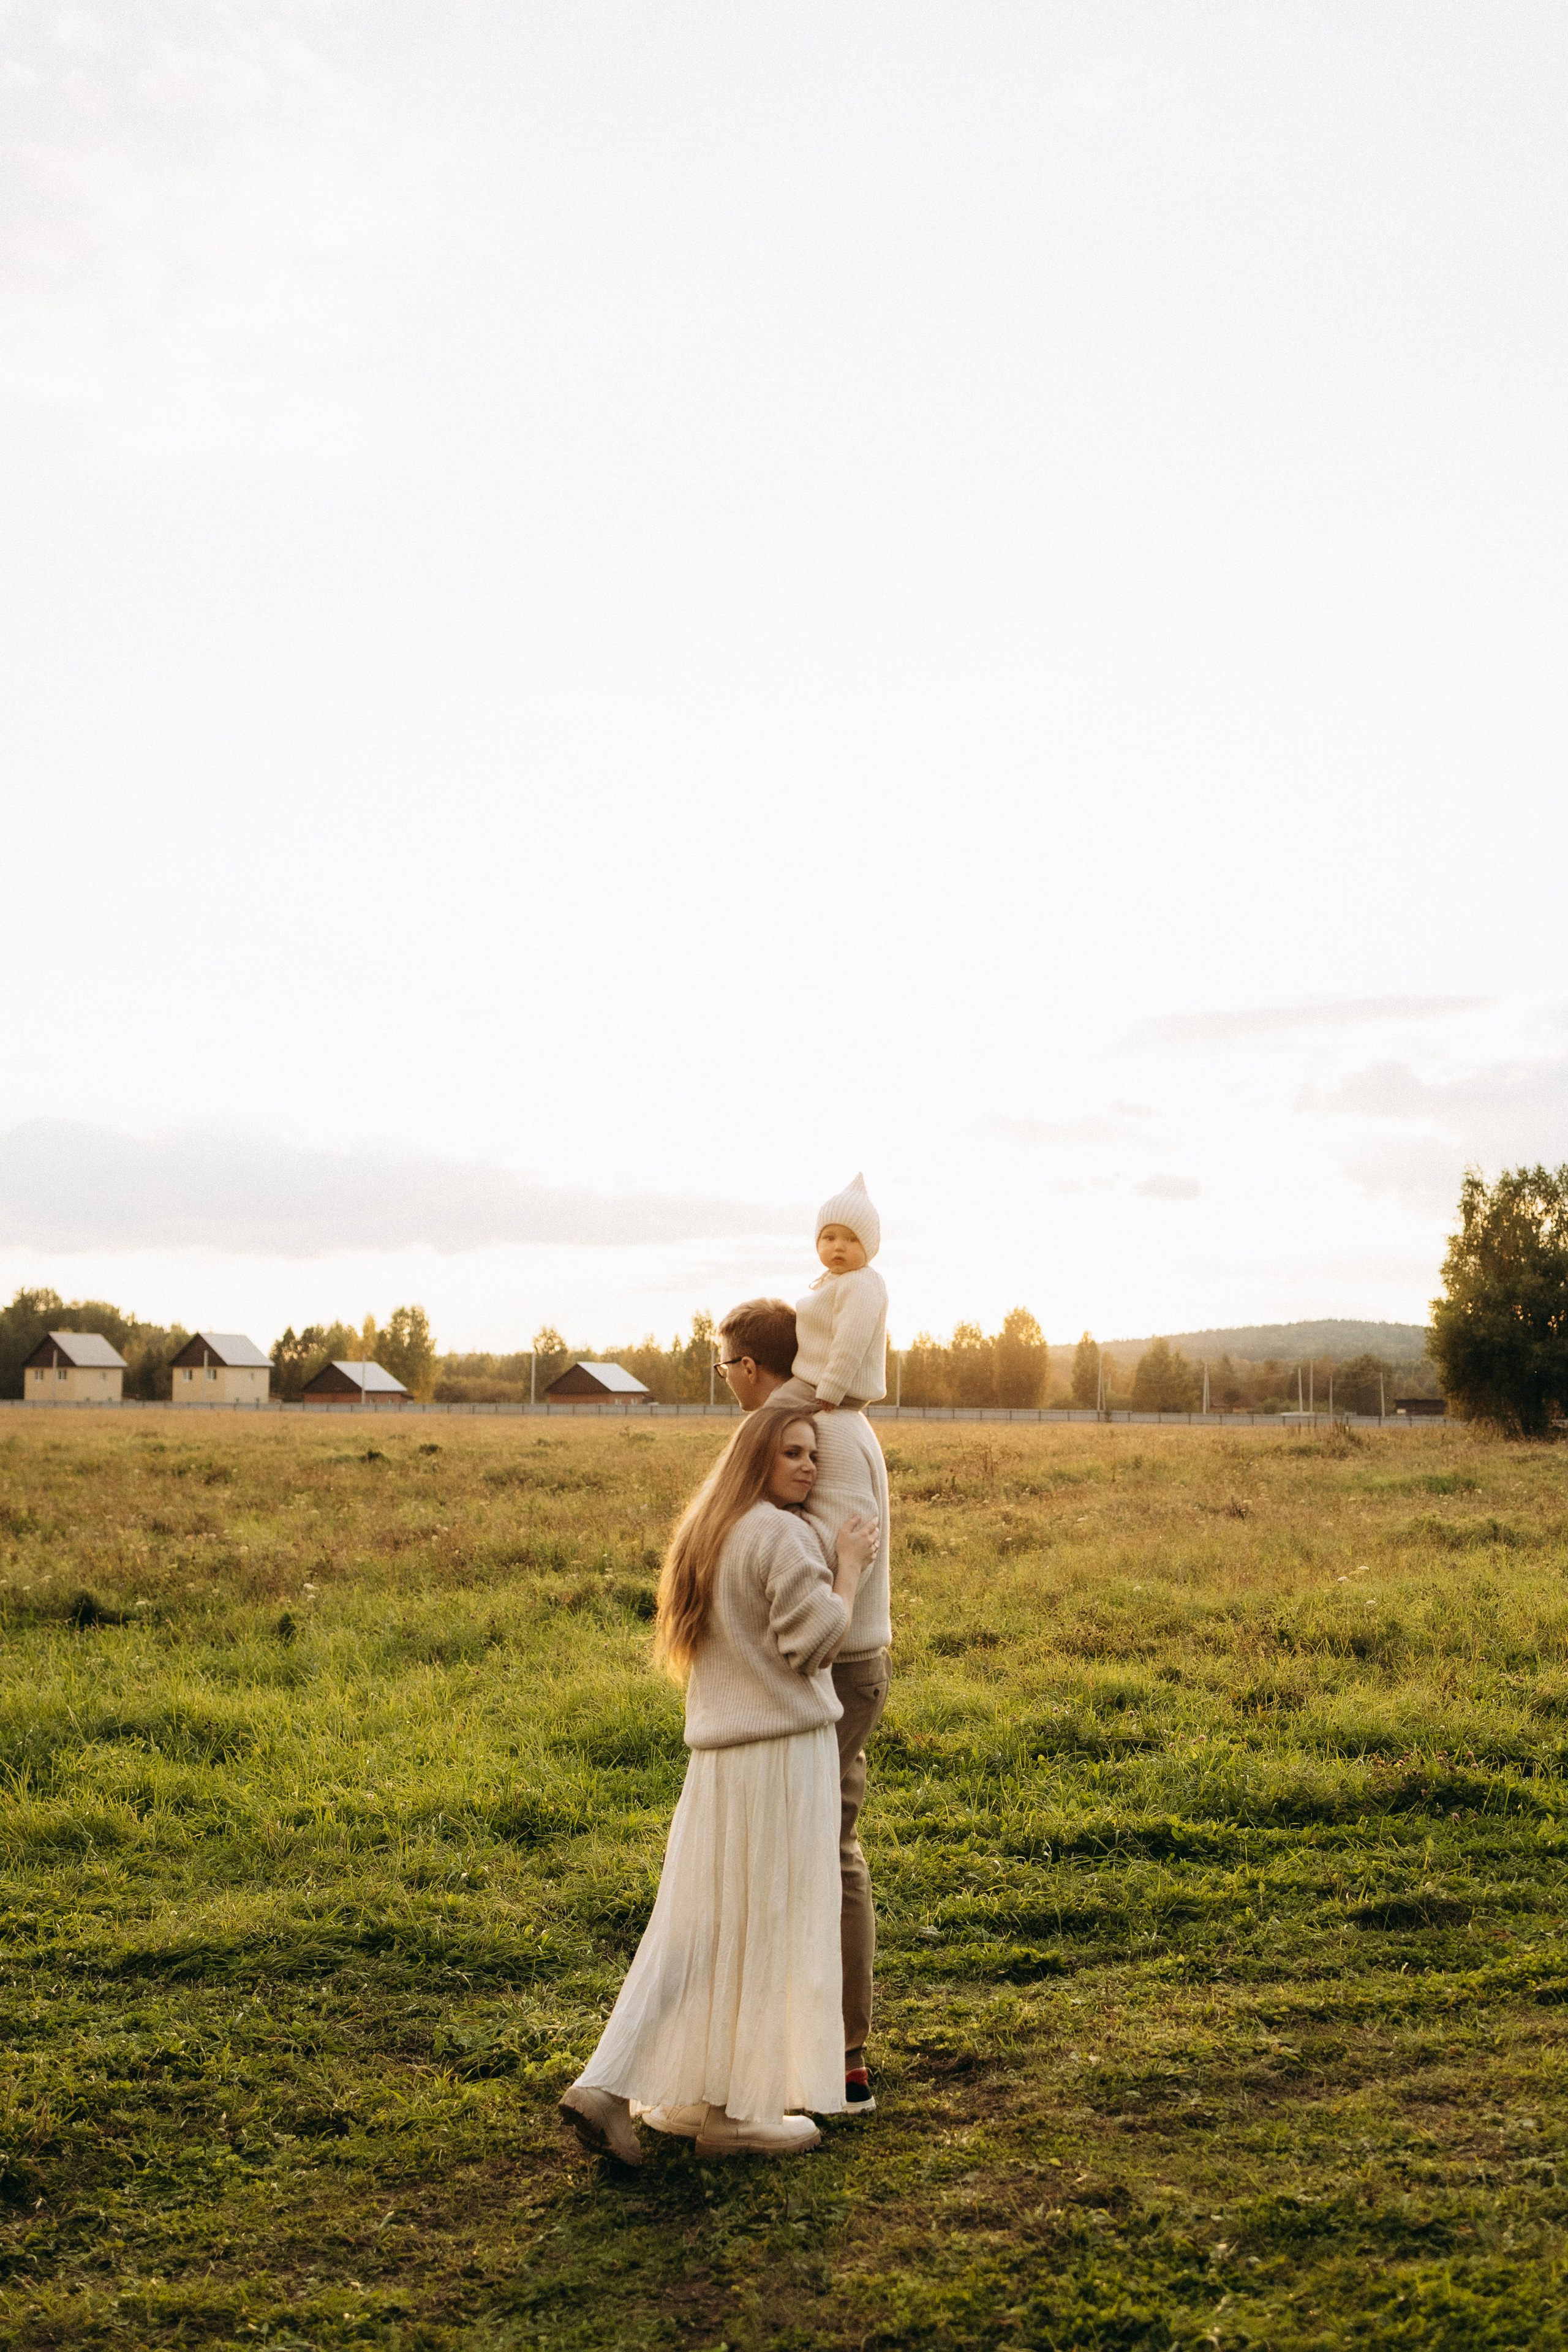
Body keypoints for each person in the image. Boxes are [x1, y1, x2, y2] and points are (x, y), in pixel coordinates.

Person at [559, 1405, 878, 2164]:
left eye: (811, 1455)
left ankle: (641, 2090)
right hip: (777, 1757)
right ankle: (737, 2115)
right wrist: (852, 1567)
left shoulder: (709, 1528)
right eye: (791, 1453)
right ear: (755, 1460)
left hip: (718, 1763)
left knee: (700, 1924)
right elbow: (815, 1644)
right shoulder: (779, 1533)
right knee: (765, 1922)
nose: (807, 1466)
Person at [715, 1284, 892, 2117]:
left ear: (750, 1367)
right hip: (851, 1655)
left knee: (823, 1848)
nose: (729, 1388)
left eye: (725, 1370)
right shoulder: (840, 1413)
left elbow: (840, 1541)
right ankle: (825, 2049)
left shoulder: (799, 1421)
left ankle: (834, 2055)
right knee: (827, 1845)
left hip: (840, 1659)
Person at [791, 1173, 889, 1415]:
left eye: (852, 1239)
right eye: (829, 1237)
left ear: (869, 1247)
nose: (838, 1246)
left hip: (837, 1389)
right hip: (827, 1383)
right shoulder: (837, 1281)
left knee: (772, 1411)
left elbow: (851, 1341)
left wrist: (832, 1387)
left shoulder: (861, 1285)